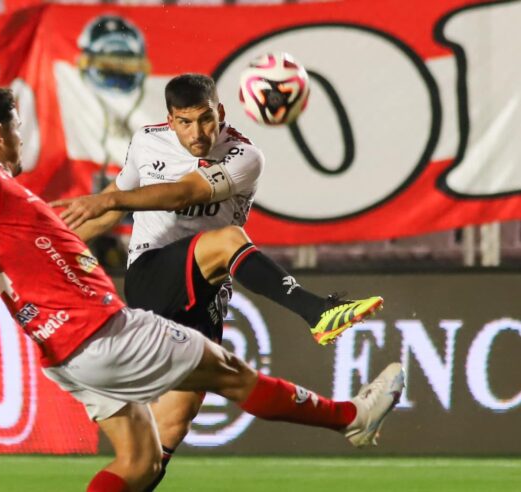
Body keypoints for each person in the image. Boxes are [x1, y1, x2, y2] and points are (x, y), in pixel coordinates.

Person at [0, 86, 404, 492]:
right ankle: (350, 418)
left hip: (63, 352)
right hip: (100, 331)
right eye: (20, 128)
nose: (23, 138)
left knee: (141, 462)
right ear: (1, 132)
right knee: (230, 372)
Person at [50, 73, 384, 489]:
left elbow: (183, 193)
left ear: (220, 112)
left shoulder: (245, 156)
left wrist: (109, 196)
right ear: (170, 121)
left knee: (166, 432)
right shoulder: (146, 142)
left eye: (206, 119)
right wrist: (45, 248)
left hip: (205, 295)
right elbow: (109, 213)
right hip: (151, 276)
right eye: (185, 122)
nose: (198, 133)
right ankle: (318, 312)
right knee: (227, 240)